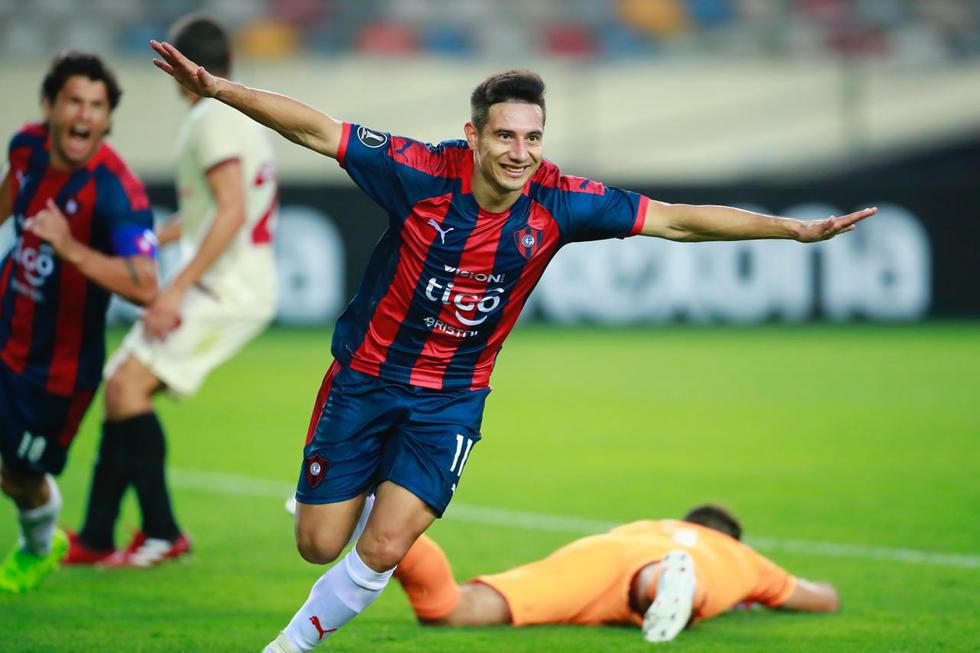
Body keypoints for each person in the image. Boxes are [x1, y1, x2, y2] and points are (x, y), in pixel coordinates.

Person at [149, 39, 873, 653]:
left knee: (387, 547)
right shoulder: (418, 170)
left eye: (532, 138)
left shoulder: (560, 201)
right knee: (316, 543)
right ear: (473, 136)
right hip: (365, 378)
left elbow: (676, 220)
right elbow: (318, 131)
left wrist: (792, 230)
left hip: (452, 400)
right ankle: (363, 489)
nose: (520, 153)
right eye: (504, 136)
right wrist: (218, 89)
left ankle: (288, 646)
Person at [65, 15, 280, 568]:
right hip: (225, 280)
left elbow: (230, 211)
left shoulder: (211, 117)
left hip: (226, 288)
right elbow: (212, 209)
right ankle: (96, 536)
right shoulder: (238, 115)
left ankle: (161, 533)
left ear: (177, 67)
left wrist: (172, 291)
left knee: (127, 387)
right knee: (120, 383)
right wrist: (149, 239)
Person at [0, 52, 158, 593]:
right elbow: (11, 193)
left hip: (57, 371)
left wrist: (70, 249)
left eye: (96, 106)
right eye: (73, 101)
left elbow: (145, 285)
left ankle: (41, 544)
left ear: (108, 119)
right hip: (6, 322)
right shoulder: (25, 147)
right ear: (49, 106)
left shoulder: (117, 193)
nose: (84, 115)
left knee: (20, 478)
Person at [393, 505, 840, 643]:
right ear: (730, 537)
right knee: (688, 587)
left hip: (599, 554)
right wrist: (755, 593)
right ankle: (669, 581)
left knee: (454, 608)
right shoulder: (739, 557)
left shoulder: (647, 525)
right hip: (679, 564)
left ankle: (388, 537)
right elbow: (822, 598)